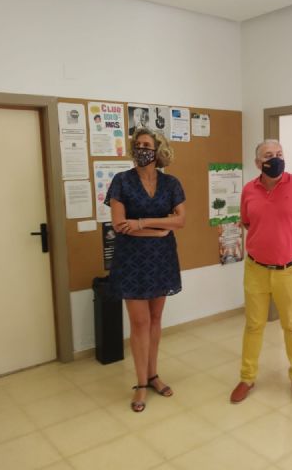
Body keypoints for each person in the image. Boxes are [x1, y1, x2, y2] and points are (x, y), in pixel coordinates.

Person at [230, 139, 292, 404]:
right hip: (255, 268)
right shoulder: (249, 190)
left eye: (279, 154)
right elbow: (248, 222)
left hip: (289, 270)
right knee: (253, 325)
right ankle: (247, 378)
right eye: (269, 155)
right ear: (258, 163)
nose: (276, 159)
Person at [104, 127, 186, 413]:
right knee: (139, 323)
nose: (141, 150)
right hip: (132, 261)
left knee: (155, 319)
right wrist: (158, 229)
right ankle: (140, 383)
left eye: (147, 145)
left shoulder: (171, 183)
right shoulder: (121, 181)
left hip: (162, 259)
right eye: (137, 145)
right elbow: (119, 225)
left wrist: (141, 223)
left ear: (158, 150)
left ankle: (153, 375)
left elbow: (180, 221)